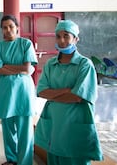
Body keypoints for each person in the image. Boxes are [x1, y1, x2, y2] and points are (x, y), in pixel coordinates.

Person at [34, 20, 103, 165]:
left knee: (76, 158)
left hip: (75, 125)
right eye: (58, 36)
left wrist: (54, 93)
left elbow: (77, 96)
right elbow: (41, 91)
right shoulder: (51, 65)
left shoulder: (84, 65)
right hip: (55, 126)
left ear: (76, 39)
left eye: (66, 36)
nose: (62, 40)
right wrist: (66, 90)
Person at [0, 15, 38, 165]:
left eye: (11, 26)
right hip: (6, 91)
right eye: (5, 27)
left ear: (17, 27)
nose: (8, 30)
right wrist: (19, 69)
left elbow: (27, 68)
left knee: (25, 128)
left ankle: (24, 161)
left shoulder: (26, 44)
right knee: (8, 126)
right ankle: (11, 159)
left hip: (23, 91)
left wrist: (7, 66)